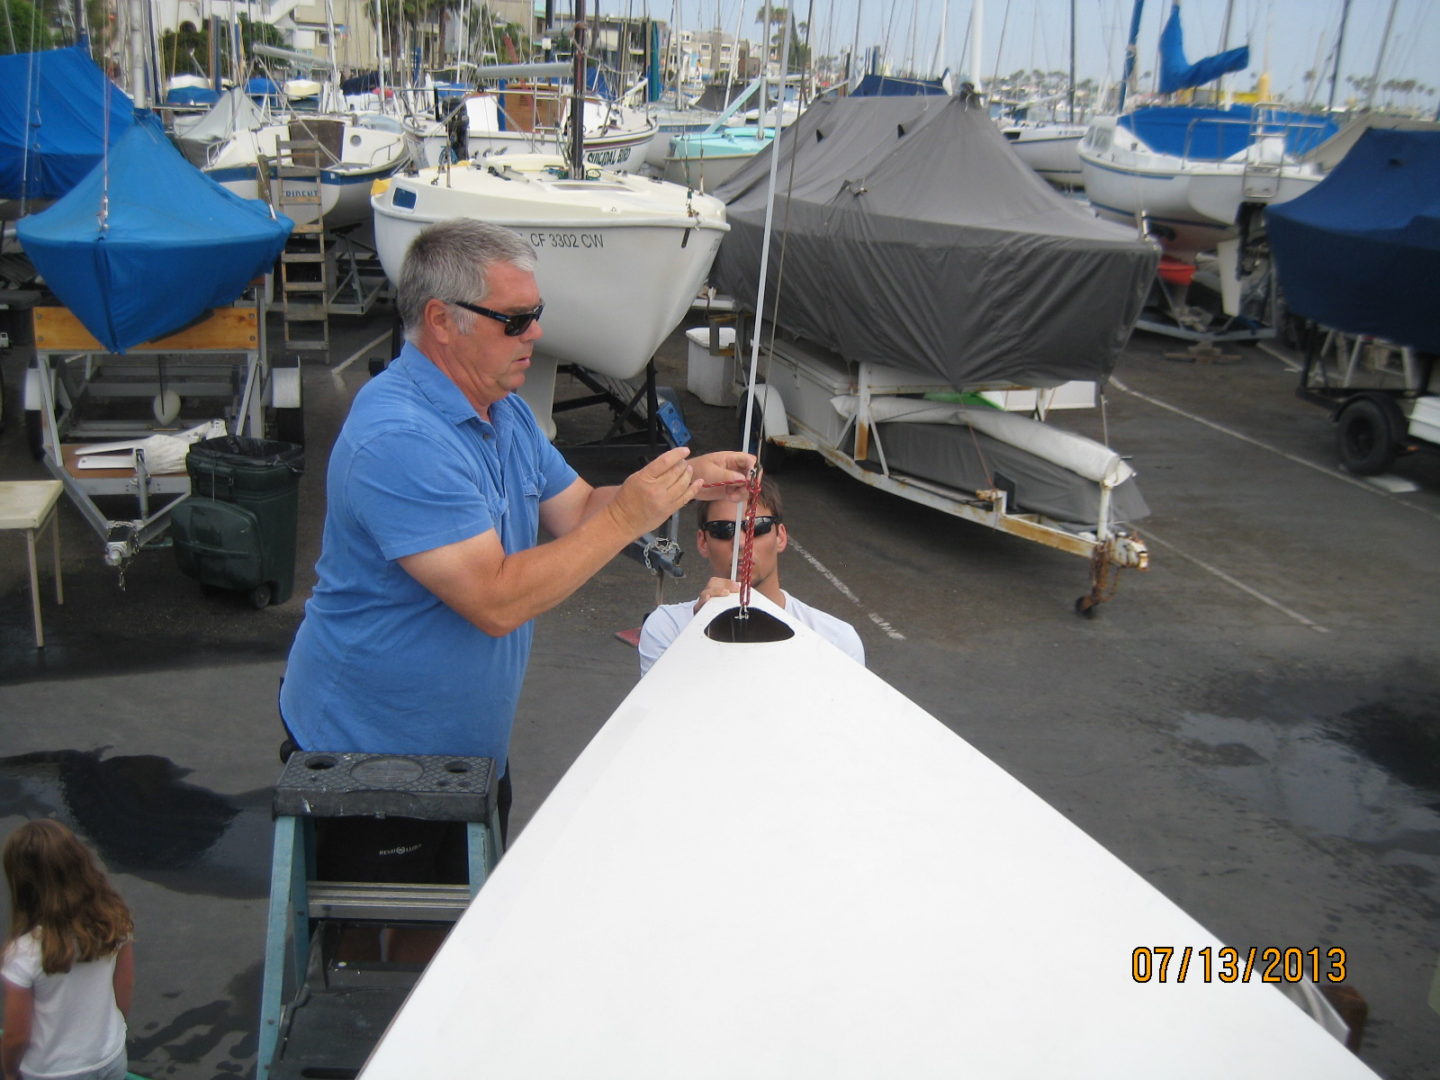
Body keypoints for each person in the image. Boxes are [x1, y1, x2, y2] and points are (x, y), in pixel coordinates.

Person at [279, 218, 753, 877]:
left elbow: (581, 508)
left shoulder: (503, 412)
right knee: (388, 950)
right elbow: (496, 599)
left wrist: (683, 481)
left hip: (466, 751)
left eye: (537, 314)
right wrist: (627, 518)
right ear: (442, 321)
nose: (534, 332)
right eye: (515, 318)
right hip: (374, 755)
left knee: (454, 927)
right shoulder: (400, 436)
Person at [638, 477, 865, 675]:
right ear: (702, 542)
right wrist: (702, 630)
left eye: (758, 527)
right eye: (723, 530)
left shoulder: (836, 641)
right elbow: (668, 715)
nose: (742, 543)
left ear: (781, 537)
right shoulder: (667, 628)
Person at [2, 820, 134, 1080]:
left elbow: (16, 1037)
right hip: (110, 1056)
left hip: (53, 1071)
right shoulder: (114, 921)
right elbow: (124, 992)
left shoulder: (23, 952)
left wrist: (8, 1072)